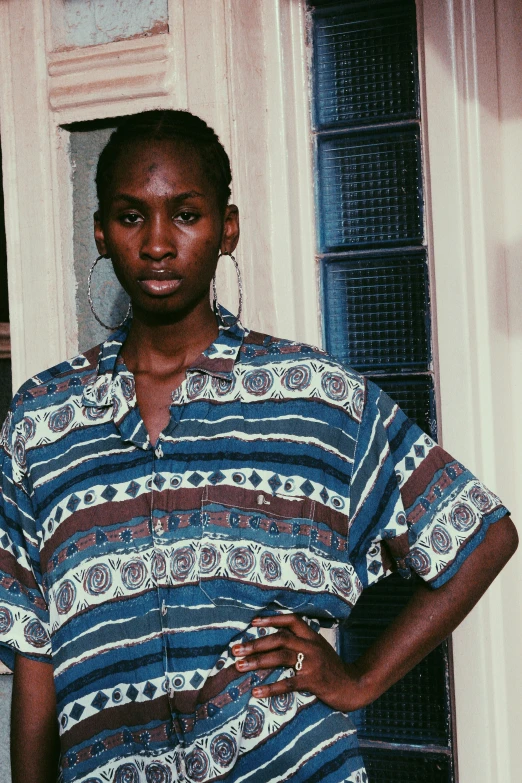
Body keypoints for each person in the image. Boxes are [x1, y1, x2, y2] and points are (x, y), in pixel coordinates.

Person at [1, 109, 517, 783]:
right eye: (132, 217)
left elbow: (481, 534)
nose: (158, 242)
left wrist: (358, 678)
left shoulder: (313, 396)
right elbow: (36, 655)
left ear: (226, 227)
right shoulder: (41, 420)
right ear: (101, 231)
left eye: (185, 214)